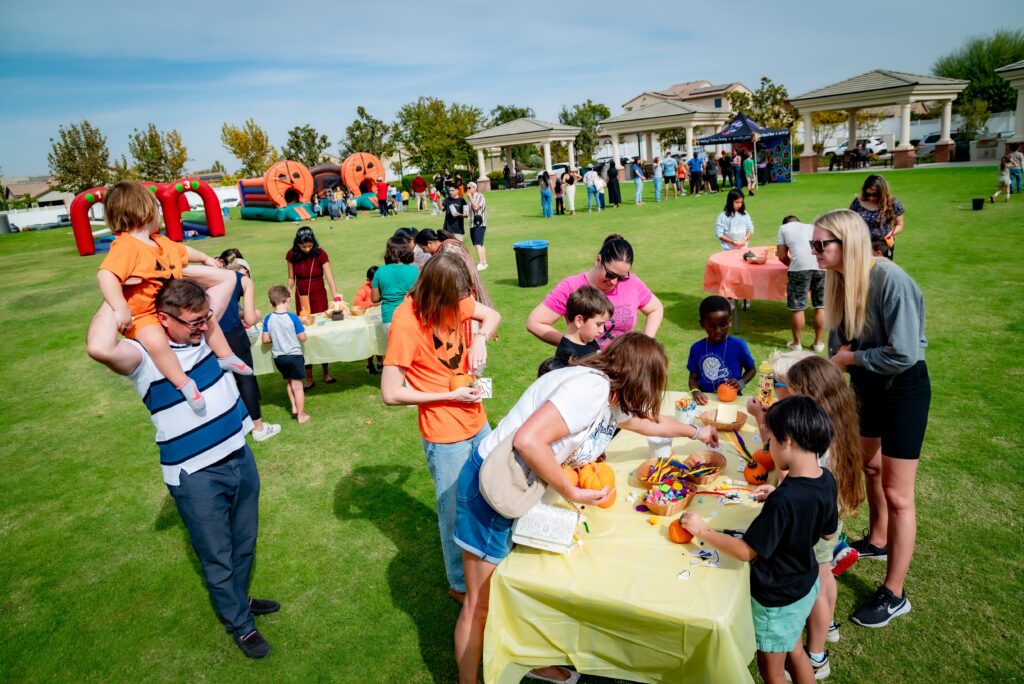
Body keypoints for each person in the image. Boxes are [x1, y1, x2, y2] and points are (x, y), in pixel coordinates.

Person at [455, 333, 720, 684]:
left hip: (518, 487)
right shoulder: (590, 390)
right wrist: (571, 490)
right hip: (489, 490)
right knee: (481, 604)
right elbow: (528, 440)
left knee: (518, 585)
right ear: (640, 377)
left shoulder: (609, 393)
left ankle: (525, 655)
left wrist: (694, 431)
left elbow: (643, 422)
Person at [85, 279, 278, 659]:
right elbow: (98, 346)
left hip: (239, 456)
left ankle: (238, 600)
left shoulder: (204, 333)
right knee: (218, 554)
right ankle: (240, 625)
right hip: (197, 476)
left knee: (244, 542)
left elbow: (226, 279)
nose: (203, 327)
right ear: (162, 319)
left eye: (205, 318)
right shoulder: (144, 357)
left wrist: (168, 266)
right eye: (193, 322)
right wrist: (120, 287)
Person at [812, 208, 929, 628]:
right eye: (814, 245)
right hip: (867, 385)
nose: (815, 252)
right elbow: (835, 345)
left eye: (821, 245)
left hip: (903, 388)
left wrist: (850, 358)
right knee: (869, 465)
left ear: (848, 243)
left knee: (899, 495)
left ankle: (895, 593)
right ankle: (878, 539)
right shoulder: (839, 281)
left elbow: (904, 353)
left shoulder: (890, 280)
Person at [681, 395, 838, 684]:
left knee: (774, 671)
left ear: (787, 441)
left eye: (772, 443)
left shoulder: (786, 500)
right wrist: (778, 496)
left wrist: (703, 530)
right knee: (795, 650)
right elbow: (828, 532)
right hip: (806, 581)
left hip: (777, 598)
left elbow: (745, 551)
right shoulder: (825, 478)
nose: (769, 448)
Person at [380, 253, 501, 604]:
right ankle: (460, 584)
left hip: (476, 418)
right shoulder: (406, 322)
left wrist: (480, 336)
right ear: (436, 294)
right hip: (444, 431)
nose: (461, 306)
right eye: (454, 301)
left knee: (491, 489)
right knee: (453, 511)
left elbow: (492, 314)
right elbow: (390, 392)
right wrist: (445, 396)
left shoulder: (455, 297)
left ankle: (490, 559)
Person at [96, 181, 248, 413]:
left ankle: (225, 355)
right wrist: (120, 308)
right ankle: (184, 383)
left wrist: (207, 259)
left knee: (206, 317)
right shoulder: (126, 246)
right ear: (143, 209)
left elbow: (185, 252)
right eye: (156, 206)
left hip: (172, 307)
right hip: (144, 316)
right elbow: (106, 275)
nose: (160, 212)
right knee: (156, 341)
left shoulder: (160, 242)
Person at [527, 234, 664, 349]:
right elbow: (535, 322)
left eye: (621, 277)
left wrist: (646, 343)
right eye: (610, 274)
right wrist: (573, 345)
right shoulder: (571, 286)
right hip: (587, 369)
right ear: (598, 260)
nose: (614, 282)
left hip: (625, 369)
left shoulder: (632, 282)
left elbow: (655, 308)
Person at [219, 252, 280, 442]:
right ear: (244, 270)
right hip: (232, 334)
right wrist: (258, 313)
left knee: (221, 382)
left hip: (207, 334)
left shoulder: (209, 275)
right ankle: (258, 427)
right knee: (245, 379)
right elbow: (250, 318)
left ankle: (230, 429)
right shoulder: (241, 279)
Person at [285, 226, 342, 388]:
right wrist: (287, 293)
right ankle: (309, 377)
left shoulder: (320, 253)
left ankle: (326, 373)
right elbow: (291, 278)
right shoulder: (291, 255)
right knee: (306, 333)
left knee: (322, 333)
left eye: (310, 245)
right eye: (304, 247)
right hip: (302, 297)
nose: (307, 249)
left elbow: (330, 278)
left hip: (319, 295)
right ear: (297, 245)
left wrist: (336, 297)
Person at [687, 295, 756, 404]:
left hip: (733, 400)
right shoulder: (696, 348)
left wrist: (741, 383)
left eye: (723, 325)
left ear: (730, 322)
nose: (718, 330)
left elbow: (752, 369)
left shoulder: (738, 345)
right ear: (702, 324)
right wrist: (695, 391)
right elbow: (693, 377)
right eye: (712, 326)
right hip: (706, 400)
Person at [261, 285, 310, 424]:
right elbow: (302, 337)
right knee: (298, 386)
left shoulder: (268, 318)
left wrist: (276, 336)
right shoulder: (293, 317)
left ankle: (294, 407)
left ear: (271, 303)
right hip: (294, 356)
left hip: (279, 358)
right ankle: (301, 416)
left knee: (289, 381)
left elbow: (265, 339)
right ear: (288, 299)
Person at [776, 215, 825, 352]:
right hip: (821, 265)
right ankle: (819, 344)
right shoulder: (811, 226)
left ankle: (797, 344)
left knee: (798, 307)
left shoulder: (783, 228)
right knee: (821, 306)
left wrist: (793, 264)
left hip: (800, 268)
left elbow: (781, 256)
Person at [551, 285, 613, 367]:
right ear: (579, 321)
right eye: (598, 324)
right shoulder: (567, 355)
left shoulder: (590, 341)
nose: (602, 330)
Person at [849, 175, 904, 260]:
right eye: (868, 194)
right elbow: (849, 222)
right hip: (862, 243)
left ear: (882, 192)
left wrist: (890, 234)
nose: (871, 197)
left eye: (875, 195)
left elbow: (899, 224)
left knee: (882, 270)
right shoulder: (857, 202)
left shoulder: (892, 203)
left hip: (882, 244)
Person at [371, 236, 420, 332]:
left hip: (389, 319)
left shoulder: (380, 271)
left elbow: (375, 298)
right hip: (410, 317)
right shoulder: (414, 271)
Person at [465, 182, 488, 270]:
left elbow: (476, 207)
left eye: (469, 188)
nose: (468, 190)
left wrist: (470, 197)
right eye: (467, 188)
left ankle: (481, 263)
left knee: (477, 244)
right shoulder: (470, 198)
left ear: (475, 188)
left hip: (479, 223)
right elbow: (469, 212)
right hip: (472, 224)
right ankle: (484, 262)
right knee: (480, 244)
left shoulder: (479, 196)